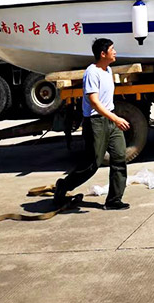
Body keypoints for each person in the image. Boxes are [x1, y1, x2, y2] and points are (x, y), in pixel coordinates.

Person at [54, 38, 131, 209]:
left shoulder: (108, 70)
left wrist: (113, 118)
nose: (115, 52)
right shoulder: (92, 73)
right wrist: (116, 118)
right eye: (112, 49)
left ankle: (114, 200)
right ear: (103, 54)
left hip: (110, 119)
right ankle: (64, 186)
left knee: (119, 157)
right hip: (96, 122)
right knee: (92, 164)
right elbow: (94, 102)